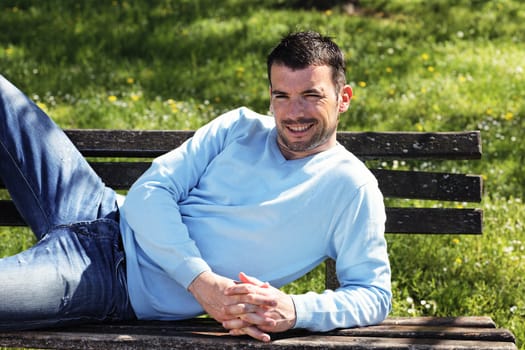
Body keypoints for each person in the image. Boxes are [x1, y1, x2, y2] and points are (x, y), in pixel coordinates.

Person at [0, 31, 391, 342]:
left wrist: (295, 310)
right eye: (281, 96)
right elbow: (149, 192)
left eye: (311, 96)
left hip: (110, 282)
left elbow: (374, 294)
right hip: (96, 207)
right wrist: (200, 283)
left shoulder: (352, 188)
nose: (293, 113)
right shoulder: (238, 127)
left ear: (343, 98)